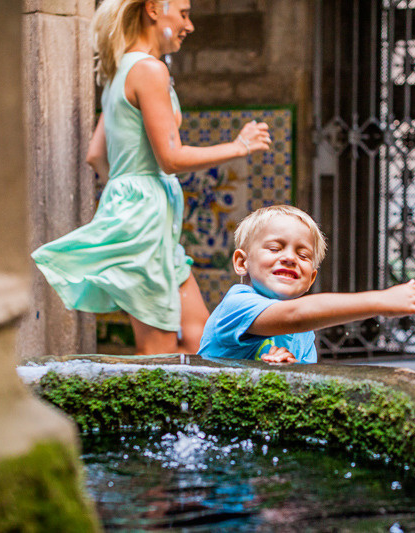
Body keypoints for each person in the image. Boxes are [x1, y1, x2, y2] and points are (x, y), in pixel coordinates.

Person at [32, 0, 272, 355]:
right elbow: (171, 158)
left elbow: (96, 155)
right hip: (145, 221)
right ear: (154, 9)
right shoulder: (149, 70)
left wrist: (129, 188)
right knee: (159, 356)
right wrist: (239, 146)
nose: (189, 26)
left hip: (146, 216)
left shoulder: (119, 71)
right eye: (184, 14)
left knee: (199, 340)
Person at [198, 205, 415, 364]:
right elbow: (294, 314)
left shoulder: (303, 333)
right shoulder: (236, 304)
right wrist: (379, 301)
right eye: (275, 248)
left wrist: (288, 368)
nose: (289, 258)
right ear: (242, 262)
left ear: (311, 278)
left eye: (303, 256)